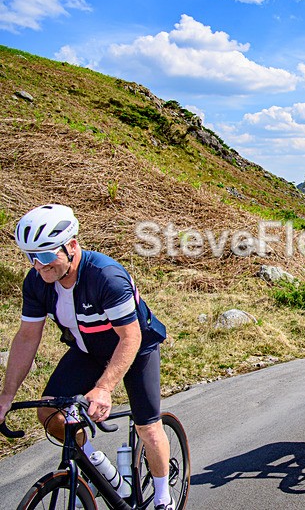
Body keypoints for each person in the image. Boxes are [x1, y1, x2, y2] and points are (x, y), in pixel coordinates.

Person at [0, 205, 176, 510]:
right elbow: (27, 338)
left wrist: (105, 388)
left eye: (45, 255)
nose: (38, 265)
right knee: (49, 412)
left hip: (136, 348)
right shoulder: (37, 281)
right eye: (30, 257)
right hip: (89, 350)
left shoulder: (106, 276)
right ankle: (102, 470)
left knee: (147, 427)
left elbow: (130, 337)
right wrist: (6, 396)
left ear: (71, 245)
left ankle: (163, 498)